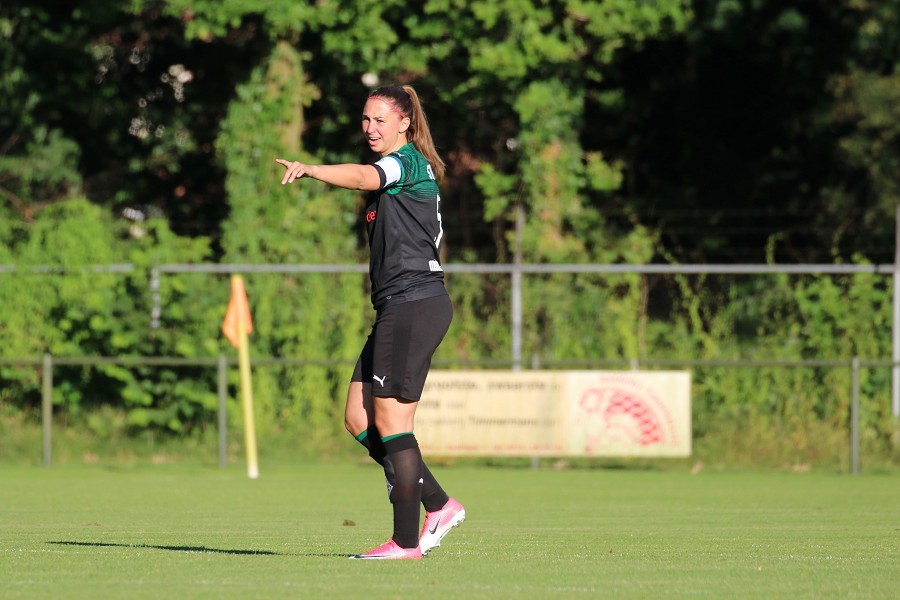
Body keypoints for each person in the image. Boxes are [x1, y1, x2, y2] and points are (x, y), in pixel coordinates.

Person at [276, 85, 465, 560]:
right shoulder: (393, 175)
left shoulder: (406, 164)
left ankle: (405, 543)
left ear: (404, 123)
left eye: (381, 120)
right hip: (397, 307)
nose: (371, 128)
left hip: (415, 302)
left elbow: (365, 175)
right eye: (366, 119)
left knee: (393, 422)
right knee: (358, 418)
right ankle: (438, 503)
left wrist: (312, 169)